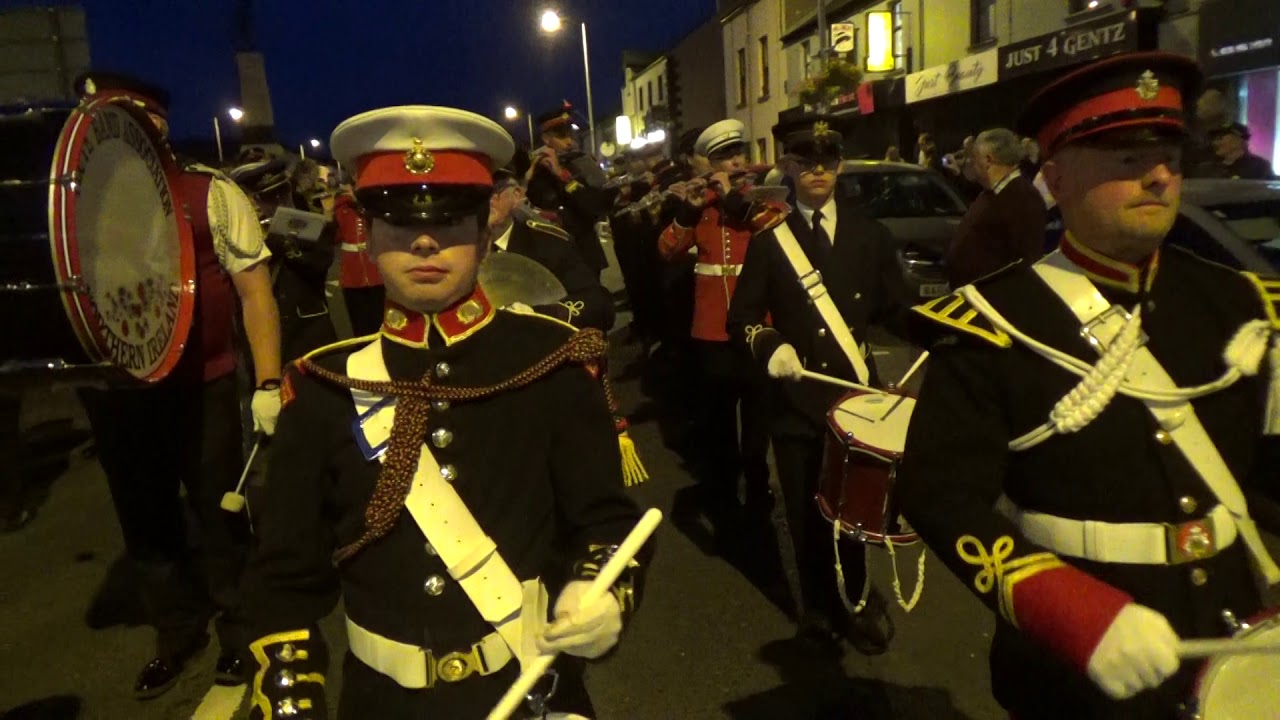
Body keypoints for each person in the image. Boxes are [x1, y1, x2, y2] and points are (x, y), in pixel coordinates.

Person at [897, 52, 1280, 718]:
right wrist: (1065, 608)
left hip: (1237, 636)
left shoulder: (1243, 304)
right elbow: (938, 495)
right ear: (1057, 177)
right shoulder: (994, 321)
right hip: (1072, 663)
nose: (1160, 175)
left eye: (1170, 155)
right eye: (1127, 159)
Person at [238, 105, 647, 719]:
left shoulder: (552, 361)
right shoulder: (322, 387)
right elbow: (284, 581)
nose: (425, 241)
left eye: (451, 220)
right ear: (367, 235)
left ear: (485, 235)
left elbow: (607, 522)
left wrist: (604, 591)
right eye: (398, 221)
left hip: (534, 688)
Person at [70, 71, 283, 697]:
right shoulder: (73, 207)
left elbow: (254, 292)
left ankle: (243, 632)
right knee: (146, 522)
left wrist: (266, 380)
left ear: (156, 124)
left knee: (220, 513)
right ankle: (177, 630)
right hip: (116, 394)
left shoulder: (207, 192)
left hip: (204, 383)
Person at [727, 120, 908, 656]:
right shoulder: (770, 242)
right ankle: (817, 610)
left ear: (841, 167)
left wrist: (948, 329)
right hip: (796, 400)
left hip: (854, 398)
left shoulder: (870, 234)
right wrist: (770, 344)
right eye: (806, 163)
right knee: (808, 512)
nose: (818, 172)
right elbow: (741, 319)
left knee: (853, 511)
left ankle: (855, 598)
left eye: (827, 162)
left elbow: (896, 310)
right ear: (789, 167)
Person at [657, 119, 786, 550]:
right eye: (723, 157)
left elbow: (777, 230)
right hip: (711, 328)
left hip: (756, 327)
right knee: (716, 420)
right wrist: (689, 209)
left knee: (757, 417)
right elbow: (667, 249)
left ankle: (758, 482)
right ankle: (724, 489)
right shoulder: (704, 203)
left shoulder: (763, 200)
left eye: (737, 153)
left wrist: (736, 198)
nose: (733, 161)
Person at [230, 157, 338, 361]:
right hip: (266, 334)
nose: (280, 200)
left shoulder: (308, 221)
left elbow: (321, 261)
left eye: (282, 192)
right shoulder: (244, 233)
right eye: (269, 197)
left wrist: (285, 242)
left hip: (310, 330)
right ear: (255, 201)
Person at [488, 167, 615, 331]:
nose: (482, 202)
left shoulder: (547, 244)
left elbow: (598, 304)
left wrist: (539, 315)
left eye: (491, 192)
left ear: (517, 194)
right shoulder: (455, 250)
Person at [945, 127, 1049, 287]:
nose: (972, 164)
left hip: (994, 301)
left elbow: (1025, 260)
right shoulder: (994, 193)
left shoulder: (1023, 198)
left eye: (974, 158)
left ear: (987, 160)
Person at [525, 103, 610, 274]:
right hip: (554, 255)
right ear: (546, 139)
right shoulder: (538, 170)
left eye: (570, 135)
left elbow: (595, 207)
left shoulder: (582, 162)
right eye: (562, 137)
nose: (570, 141)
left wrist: (562, 175)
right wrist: (527, 178)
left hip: (584, 252)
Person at [333, 178, 387, 337]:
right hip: (352, 274)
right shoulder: (341, 207)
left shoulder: (374, 206)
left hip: (376, 272)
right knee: (360, 325)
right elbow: (334, 236)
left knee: (382, 321)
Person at [1208, 123, 1277, 179]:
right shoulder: (1207, 168)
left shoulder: (1259, 166)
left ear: (1239, 140)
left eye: (1220, 138)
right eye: (1214, 139)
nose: (1215, 143)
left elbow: (1268, 193)